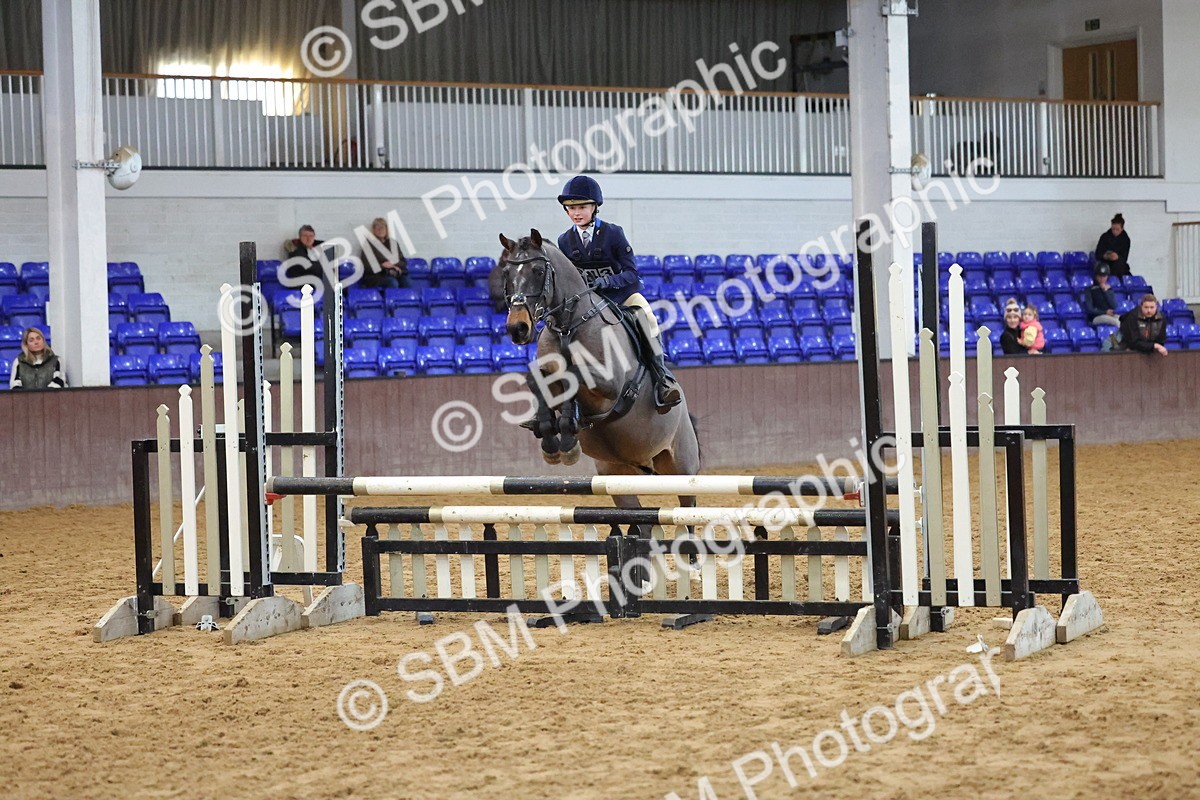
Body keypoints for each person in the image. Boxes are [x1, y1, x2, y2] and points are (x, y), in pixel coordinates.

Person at [555, 175, 681, 410]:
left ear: (595, 207)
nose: (575, 213)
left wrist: (608, 281)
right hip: (591, 304)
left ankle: (663, 378)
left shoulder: (613, 233)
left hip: (622, 295)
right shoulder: (565, 240)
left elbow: (632, 273)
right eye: (570, 208)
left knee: (646, 317)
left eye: (581, 207)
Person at [359, 217, 409, 289]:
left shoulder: (393, 243)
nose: (380, 230)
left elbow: (403, 263)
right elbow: (367, 267)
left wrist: (393, 265)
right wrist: (383, 266)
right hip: (376, 276)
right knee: (392, 283)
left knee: (407, 282)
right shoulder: (368, 245)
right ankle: (391, 300)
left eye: (383, 227)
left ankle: (404, 300)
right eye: (378, 228)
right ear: (373, 230)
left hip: (394, 273)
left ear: (386, 229)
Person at [1095, 213, 1131, 277]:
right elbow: (1097, 253)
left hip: (1118, 266)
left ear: (1122, 229)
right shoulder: (1104, 237)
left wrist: (1117, 257)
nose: (1115, 231)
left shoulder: (1126, 240)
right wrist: (1105, 256)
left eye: (1117, 229)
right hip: (1104, 264)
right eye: (1113, 229)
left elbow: (1124, 257)